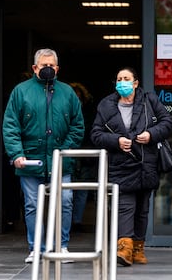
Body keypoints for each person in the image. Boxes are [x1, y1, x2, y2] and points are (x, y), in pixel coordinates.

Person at [2, 48, 84, 263]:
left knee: (65, 201)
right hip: (30, 159)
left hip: (60, 160)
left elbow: (77, 125)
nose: (47, 69)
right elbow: (10, 125)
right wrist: (16, 154)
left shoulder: (67, 92)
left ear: (57, 68)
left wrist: (64, 150)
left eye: (51, 65)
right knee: (33, 205)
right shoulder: (21, 92)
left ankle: (62, 247)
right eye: (43, 65)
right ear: (34, 68)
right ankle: (36, 248)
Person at [90, 67, 172, 267]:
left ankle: (138, 248)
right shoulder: (106, 105)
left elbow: (168, 122)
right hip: (121, 165)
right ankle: (124, 248)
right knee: (125, 207)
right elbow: (95, 134)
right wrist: (116, 140)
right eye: (119, 79)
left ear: (135, 83)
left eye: (126, 79)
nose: (122, 82)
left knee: (142, 209)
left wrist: (151, 135)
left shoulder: (149, 100)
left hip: (146, 163)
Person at [69, 82, 98, 233]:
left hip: (86, 155)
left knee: (82, 190)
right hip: (69, 154)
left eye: (78, 96)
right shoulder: (64, 110)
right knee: (67, 191)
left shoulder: (89, 112)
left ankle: (77, 221)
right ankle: (66, 222)